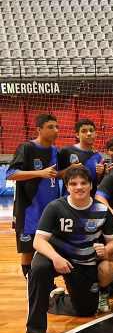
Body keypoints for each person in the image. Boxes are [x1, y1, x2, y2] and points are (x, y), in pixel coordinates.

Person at [24, 166, 113, 333]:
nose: (79, 187)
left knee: (86, 311)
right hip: (54, 255)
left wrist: (107, 250)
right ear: (67, 187)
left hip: (83, 261)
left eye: (83, 183)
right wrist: (56, 257)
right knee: (39, 270)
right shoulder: (55, 207)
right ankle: (35, 329)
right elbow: (38, 241)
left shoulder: (102, 210)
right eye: (73, 184)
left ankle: (54, 298)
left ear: (91, 185)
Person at [8, 113, 61, 280]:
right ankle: (31, 287)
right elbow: (11, 174)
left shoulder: (55, 150)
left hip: (50, 210)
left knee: (48, 251)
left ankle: (47, 286)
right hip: (29, 211)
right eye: (51, 127)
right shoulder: (26, 148)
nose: (56, 130)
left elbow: (55, 175)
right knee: (28, 251)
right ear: (39, 129)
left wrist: (70, 170)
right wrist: (39, 173)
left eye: (57, 127)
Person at [57, 118, 105, 194]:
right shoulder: (66, 151)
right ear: (77, 135)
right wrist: (70, 169)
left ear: (95, 133)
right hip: (69, 198)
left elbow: (97, 182)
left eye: (91, 130)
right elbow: (56, 175)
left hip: (90, 198)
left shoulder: (98, 156)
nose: (89, 133)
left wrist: (100, 174)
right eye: (84, 131)